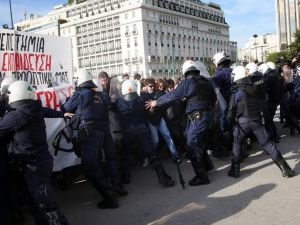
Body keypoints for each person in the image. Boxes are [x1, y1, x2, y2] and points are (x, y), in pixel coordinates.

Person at [0, 80, 69, 225]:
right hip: (40, 161)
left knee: (47, 206)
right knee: (36, 203)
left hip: (33, 166)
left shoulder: (17, 116)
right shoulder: (33, 108)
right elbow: (46, 111)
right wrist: (62, 114)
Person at [61, 69, 127, 209]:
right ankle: (118, 186)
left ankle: (108, 197)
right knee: (110, 158)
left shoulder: (79, 95)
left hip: (89, 133)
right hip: (105, 131)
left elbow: (65, 108)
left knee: (90, 165)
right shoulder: (102, 95)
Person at [146, 60, 217, 186]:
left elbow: (172, 95)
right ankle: (207, 166)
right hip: (207, 116)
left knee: (191, 145)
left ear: (185, 72)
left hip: (198, 117)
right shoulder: (206, 81)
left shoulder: (188, 82)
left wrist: (156, 103)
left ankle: (202, 177)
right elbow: (213, 98)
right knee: (199, 142)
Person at [226, 66, 295, 178]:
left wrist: (229, 122)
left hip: (242, 122)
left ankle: (235, 170)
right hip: (256, 121)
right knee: (267, 144)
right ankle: (285, 168)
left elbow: (230, 111)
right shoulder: (254, 88)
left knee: (237, 143)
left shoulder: (237, 92)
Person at [113, 79, 175, 187]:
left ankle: (125, 178)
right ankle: (163, 177)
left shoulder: (119, 102)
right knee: (152, 155)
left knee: (126, 155)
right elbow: (149, 112)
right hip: (142, 130)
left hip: (128, 132)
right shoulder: (142, 99)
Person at [211, 52, 233, 157]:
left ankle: (224, 150)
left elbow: (216, 92)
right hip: (235, 103)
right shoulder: (232, 71)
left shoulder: (218, 74)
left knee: (224, 126)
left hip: (224, 103)